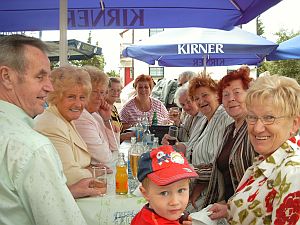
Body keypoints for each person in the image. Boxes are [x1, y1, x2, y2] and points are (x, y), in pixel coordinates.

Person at [0, 34, 97, 225]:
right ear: (7, 77)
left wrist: (65, 191)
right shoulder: (31, 146)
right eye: (40, 76)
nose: (49, 86)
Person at [209, 75, 300, 224]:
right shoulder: (267, 159)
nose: (257, 128)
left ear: (294, 124)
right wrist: (229, 209)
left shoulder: (294, 173)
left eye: (269, 117)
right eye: (252, 117)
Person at [163, 74, 233, 212]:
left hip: (213, 193)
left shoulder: (226, 118)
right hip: (195, 185)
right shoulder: (203, 119)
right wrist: (175, 147)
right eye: (196, 98)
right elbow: (192, 147)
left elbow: (221, 163)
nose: (200, 101)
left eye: (205, 95)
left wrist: (189, 174)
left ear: (217, 94)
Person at [195, 67, 256, 211]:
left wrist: (231, 206)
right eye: (226, 95)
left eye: (237, 92)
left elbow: (260, 179)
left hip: (245, 211)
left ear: (249, 94)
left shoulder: (255, 130)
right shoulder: (230, 130)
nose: (231, 99)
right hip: (223, 205)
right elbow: (219, 167)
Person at [34, 65, 93, 186]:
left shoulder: (64, 119)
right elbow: (70, 176)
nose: (78, 104)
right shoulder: (51, 124)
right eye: (71, 97)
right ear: (55, 97)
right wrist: (93, 171)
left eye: (82, 97)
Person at [131, 145, 198, 225]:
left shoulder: (145, 214)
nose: (174, 202)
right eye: (164, 193)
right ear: (145, 193)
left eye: (181, 190)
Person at [74, 66, 119, 166]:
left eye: (102, 92)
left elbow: (116, 146)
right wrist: (111, 152)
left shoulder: (96, 115)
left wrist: (107, 120)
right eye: (94, 92)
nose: (100, 97)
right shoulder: (81, 118)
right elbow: (105, 158)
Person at [106, 77, 135, 141]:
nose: (116, 93)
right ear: (105, 91)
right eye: (112, 90)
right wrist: (121, 137)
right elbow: (105, 135)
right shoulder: (102, 109)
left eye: (118, 90)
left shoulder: (113, 108)